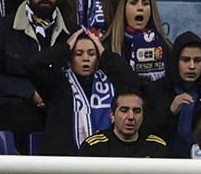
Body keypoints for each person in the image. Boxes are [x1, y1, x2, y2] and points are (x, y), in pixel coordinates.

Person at [0, 0, 72, 149]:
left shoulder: (72, 32)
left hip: (58, 106)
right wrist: (30, 93)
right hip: (15, 104)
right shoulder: (3, 27)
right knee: (20, 116)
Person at [34, 26, 136, 155]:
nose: (86, 58)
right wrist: (65, 47)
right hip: (64, 164)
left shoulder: (111, 81)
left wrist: (103, 52)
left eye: (92, 53)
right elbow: (33, 64)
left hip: (107, 162)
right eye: (78, 54)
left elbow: (133, 81)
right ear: (69, 59)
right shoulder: (57, 83)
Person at [80, 85, 168, 158]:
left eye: (136, 111)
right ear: (112, 115)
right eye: (124, 110)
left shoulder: (156, 147)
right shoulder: (94, 147)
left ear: (143, 115)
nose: (131, 117)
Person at [111, 0, 170, 82]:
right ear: (123, 8)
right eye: (133, 3)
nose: (140, 8)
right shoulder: (110, 45)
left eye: (145, 3)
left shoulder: (165, 46)